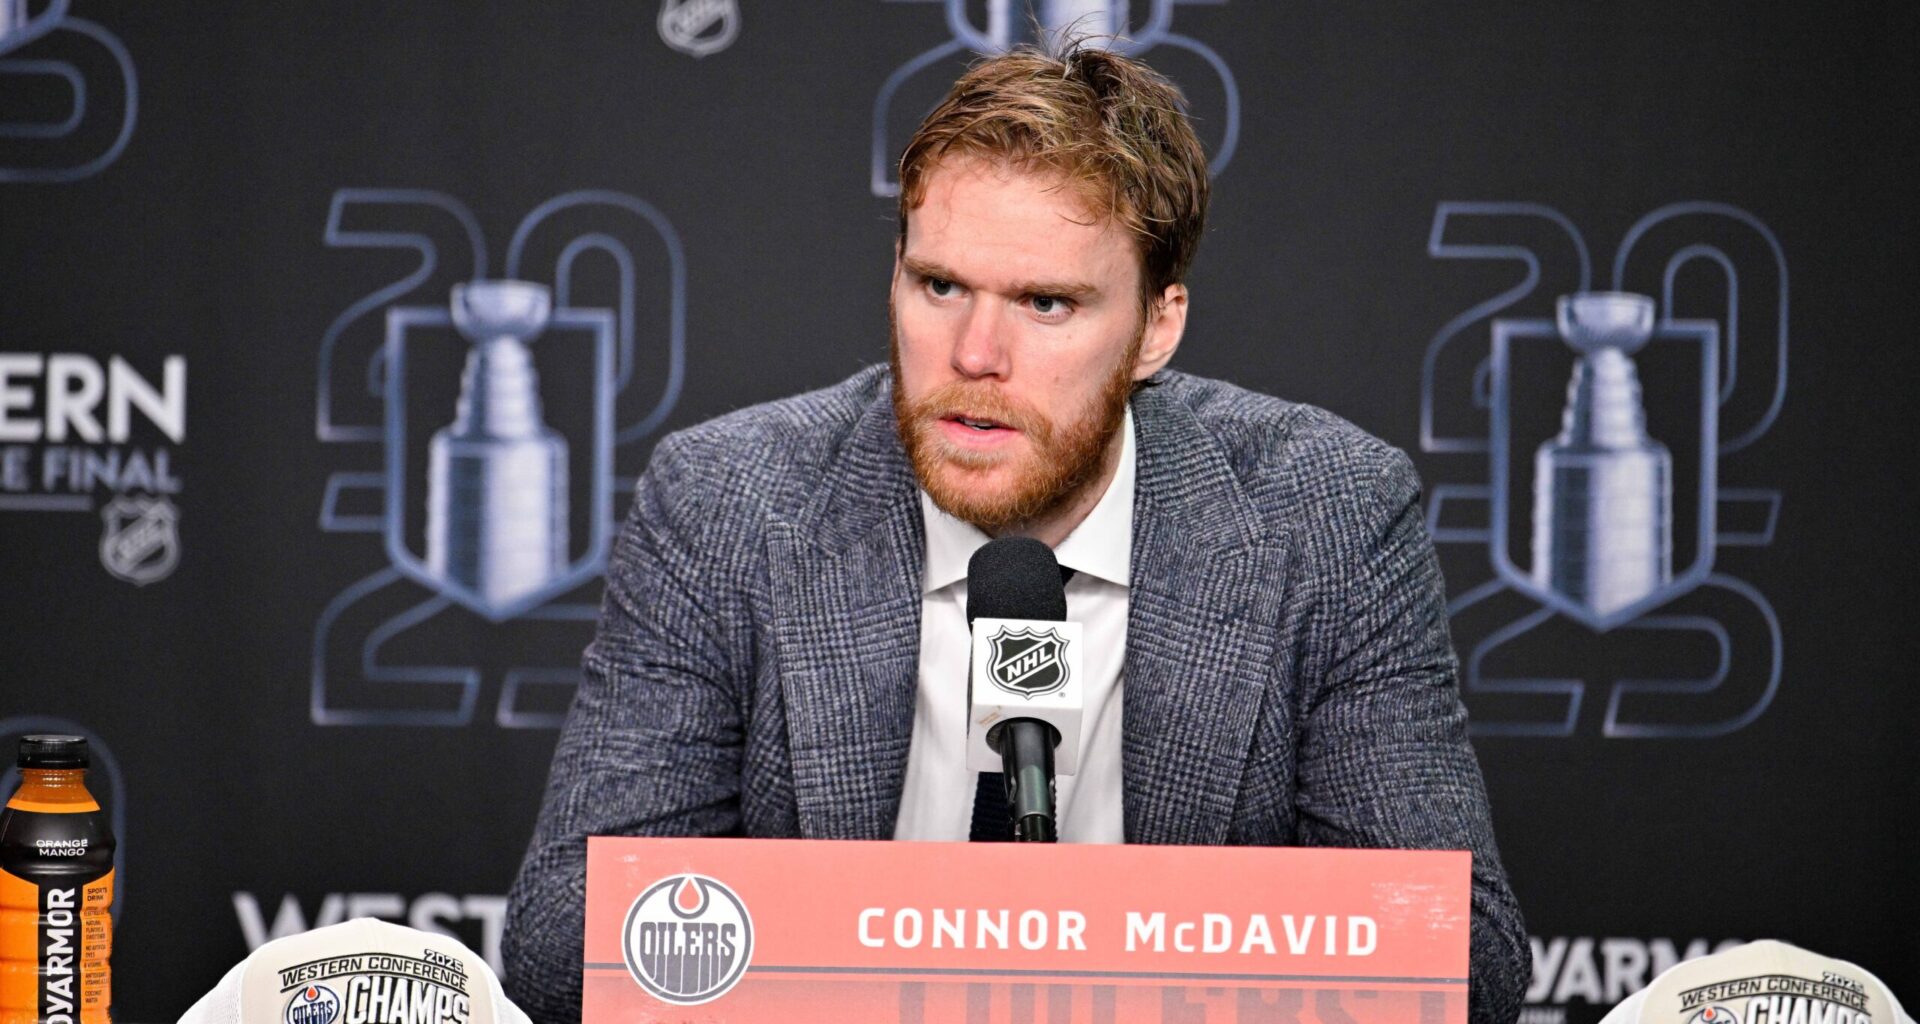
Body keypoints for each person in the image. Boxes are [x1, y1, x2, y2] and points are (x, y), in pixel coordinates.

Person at [504, 41, 1529, 1023]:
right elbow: (567, 938)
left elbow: (1458, 961)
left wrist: (1071, 954)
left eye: (1045, 302)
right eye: (939, 285)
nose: (974, 354)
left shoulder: (1327, 514)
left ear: (1155, 328)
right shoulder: (728, 500)